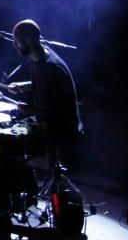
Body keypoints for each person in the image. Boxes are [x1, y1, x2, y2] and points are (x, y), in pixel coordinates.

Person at [10, 19, 83, 168]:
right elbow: (46, 86)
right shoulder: (40, 57)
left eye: (17, 40)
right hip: (49, 123)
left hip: (60, 129)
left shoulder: (52, 68)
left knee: (12, 133)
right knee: (13, 128)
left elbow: (58, 110)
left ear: (29, 39)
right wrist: (24, 86)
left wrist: (30, 111)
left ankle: (31, 181)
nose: (14, 45)